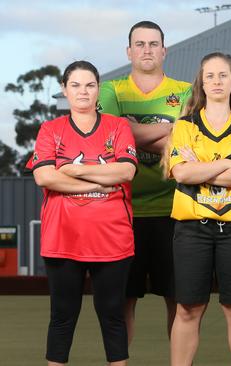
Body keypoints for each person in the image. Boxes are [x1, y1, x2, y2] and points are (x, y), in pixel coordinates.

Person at [29, 61, 138, 365]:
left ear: (98, 89)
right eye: (75, 85)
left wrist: (74, 169)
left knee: (113, 316)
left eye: (89, 85)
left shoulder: (118, 127)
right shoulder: (51, 130)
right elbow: (45, 177)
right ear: (64, 90)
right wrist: (101, 183)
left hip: (112, 239)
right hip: (63, 238)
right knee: (62, 317)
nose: (83, 91)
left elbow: (126, 171)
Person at [165, 52, 231, 366]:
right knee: (187, 309)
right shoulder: (184, 126)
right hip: (192, 229)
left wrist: (203, 167)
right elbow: (181, 173)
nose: (217, 81)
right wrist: (227, 163)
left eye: (223, 75)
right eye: (210, 76)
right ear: (201, 82)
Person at [99, 20, 192, 344]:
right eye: (140, 44)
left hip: (175, 210)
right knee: (122, 300)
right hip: (124, 212)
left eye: (153, 44)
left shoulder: (185, 91)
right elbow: (110, 137)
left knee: (181, 303)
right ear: (129, 51)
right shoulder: (111, 89)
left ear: (164, 50)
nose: (147, 50)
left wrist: (131, 133)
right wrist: (170, 132)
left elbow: (190, 140)